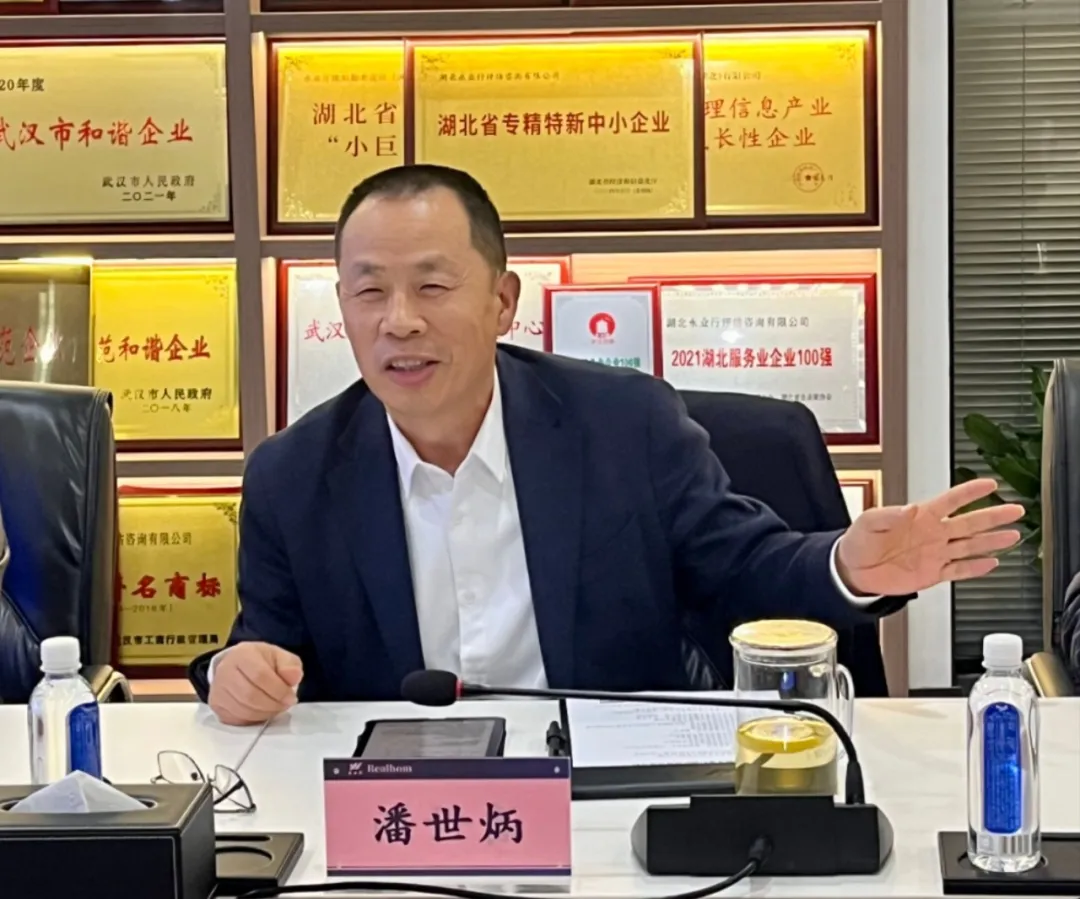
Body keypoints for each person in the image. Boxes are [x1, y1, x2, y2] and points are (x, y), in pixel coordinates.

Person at [193, 164, 1023, 726]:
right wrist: (235, 674)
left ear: (503, 300)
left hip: (612, 787)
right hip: (409, 808)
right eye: (369, 291)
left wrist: (848, 565)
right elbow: (265, 645)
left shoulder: (626, 424)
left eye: (433, 286)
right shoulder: (292, 475)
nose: (398, 320)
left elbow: (744, 569)